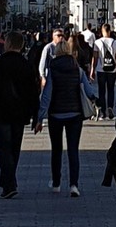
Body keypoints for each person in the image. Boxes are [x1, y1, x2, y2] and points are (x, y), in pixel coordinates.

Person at [0, 30, 40, 199]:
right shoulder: (26, 65)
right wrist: (36, 115)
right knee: (14, 147)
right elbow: (33, 92)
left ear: (7, 44)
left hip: (0, 112)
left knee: (3, 147)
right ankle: (8, 181)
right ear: (21, 45)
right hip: (20, 113)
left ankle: (9, 183)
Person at [35, 36, 96, 196]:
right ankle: (74, 185)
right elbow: (89, 91)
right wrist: (95, 101)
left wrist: (40, 117)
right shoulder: (77, 68)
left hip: (56, 114)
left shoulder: (52, 68)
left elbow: (46, 94)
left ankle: (56, 183)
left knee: (56, 149)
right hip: (75, 113)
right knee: (73, 149)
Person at [93, 24, 116, 120]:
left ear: (102, 31)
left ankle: (103, 111)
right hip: (112, 70)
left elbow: (95, 57)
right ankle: (110, 107)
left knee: (101, 90)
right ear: (110, 31)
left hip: (100, 69)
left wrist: (92, 69)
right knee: (111, 89)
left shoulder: (97, 42)